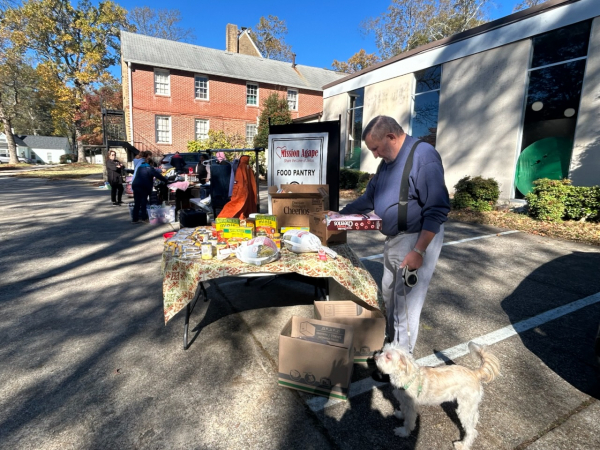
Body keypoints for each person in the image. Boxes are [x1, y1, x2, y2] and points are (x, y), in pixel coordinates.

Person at [337, 115, 450, 354]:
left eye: (376, 148)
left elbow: (437, 209)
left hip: (416, 238)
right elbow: (369, 198)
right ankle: (391, 345)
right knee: (389, 294)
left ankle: (401, 359)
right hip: (395, 239)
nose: (375, 155)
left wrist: (419, 250)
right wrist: (339, 216)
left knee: (406, 303)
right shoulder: (386, 163)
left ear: (391, 136)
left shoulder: (423, 156)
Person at [131, 155, 169, 224]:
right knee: (143, 202)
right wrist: (166, 180)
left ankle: (134, 219)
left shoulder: (140, 167)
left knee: (137, 202)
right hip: (143, 187)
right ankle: (144, 218)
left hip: (135, 185)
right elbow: (158, 175)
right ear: (151, 163)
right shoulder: (149, 168)